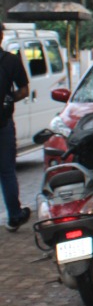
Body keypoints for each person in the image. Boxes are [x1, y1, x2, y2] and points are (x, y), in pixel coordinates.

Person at [0, 43, 30, 232]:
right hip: (3, 123)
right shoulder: (10, 60)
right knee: (7, 172)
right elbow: (24, 90)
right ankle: (14, 216)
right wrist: (9, 98)